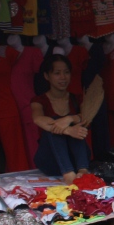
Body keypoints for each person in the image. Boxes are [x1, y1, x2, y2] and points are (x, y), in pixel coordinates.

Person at [30, 54, 91, 185]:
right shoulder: (39, 101)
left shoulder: (77, 98)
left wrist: (70, 118)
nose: (63, 77)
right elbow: (37, 119)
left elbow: (87, 117)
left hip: (77, 159)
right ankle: (68, 173)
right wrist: (67, 130)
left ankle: (83, 170)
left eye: (66, 72)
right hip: (51, 161)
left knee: (77, 124)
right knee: (52, 123)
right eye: (57, 73)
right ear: (47, 76)